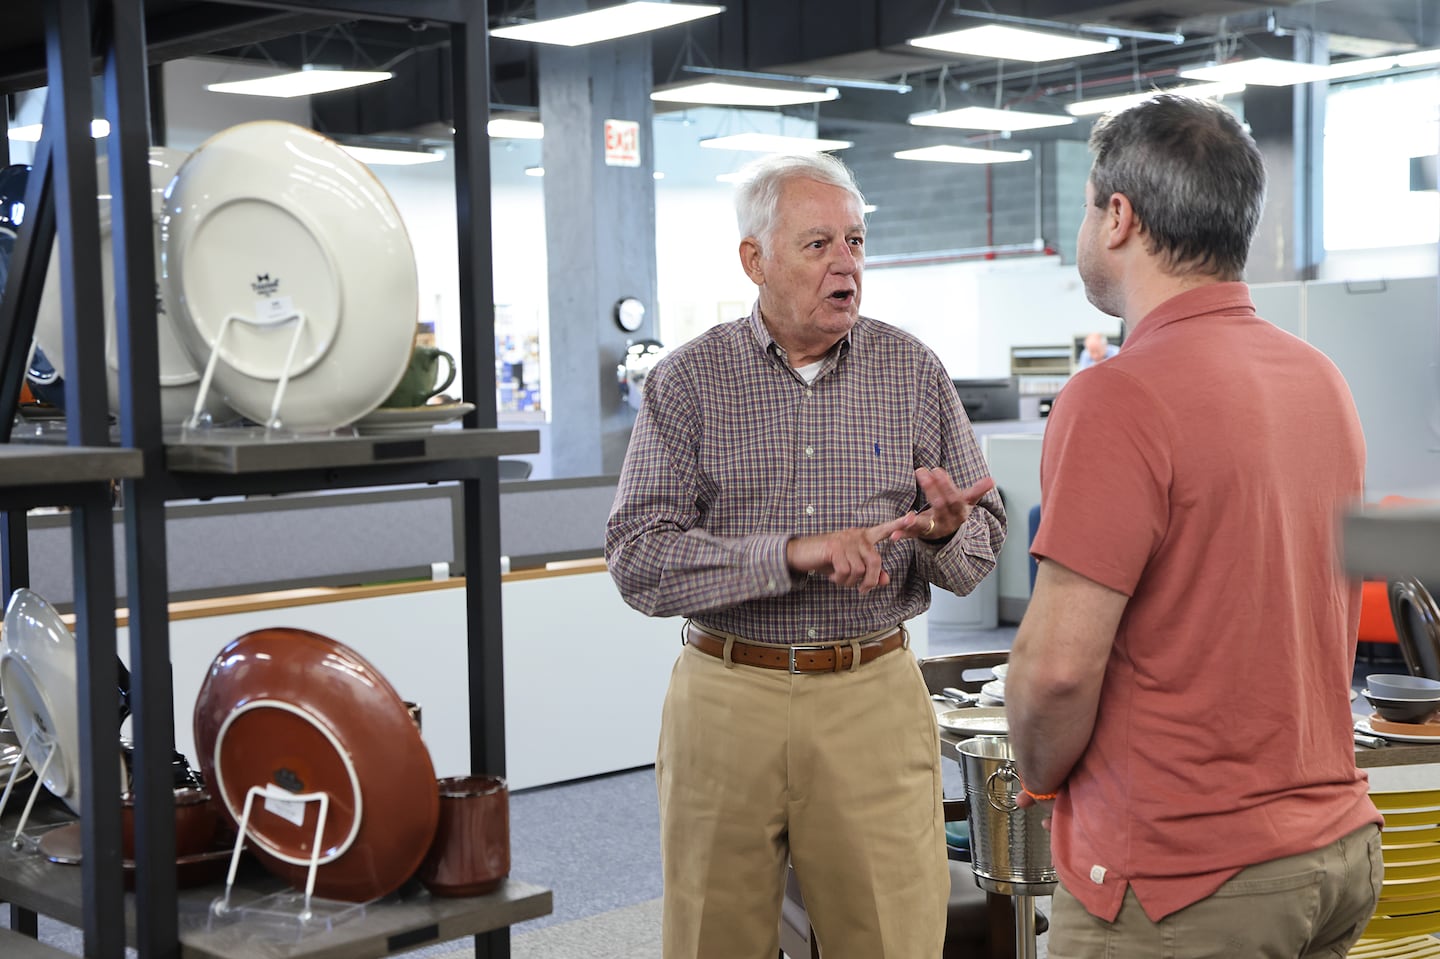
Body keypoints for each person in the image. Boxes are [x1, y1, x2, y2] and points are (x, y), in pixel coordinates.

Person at [1006, 94, 1382, 958]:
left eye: (1088, 204)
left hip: (1185, 879)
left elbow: (1058, 671)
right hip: (1331, 850)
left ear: (1119, 217)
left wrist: (1036, 770)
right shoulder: (1319, 378)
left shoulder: (1116, 395)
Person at [606, 151, 1006, 959]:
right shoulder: (688, 381)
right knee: (713, 938)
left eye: (855, 242)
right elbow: (639, 558)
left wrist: (942, 531)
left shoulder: (912, 370)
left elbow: (978, 545)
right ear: (754, 260)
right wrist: (791, 554)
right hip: (726, 696)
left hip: (872, 694)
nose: (846, 264)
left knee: (893, 938)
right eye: (818, 243)